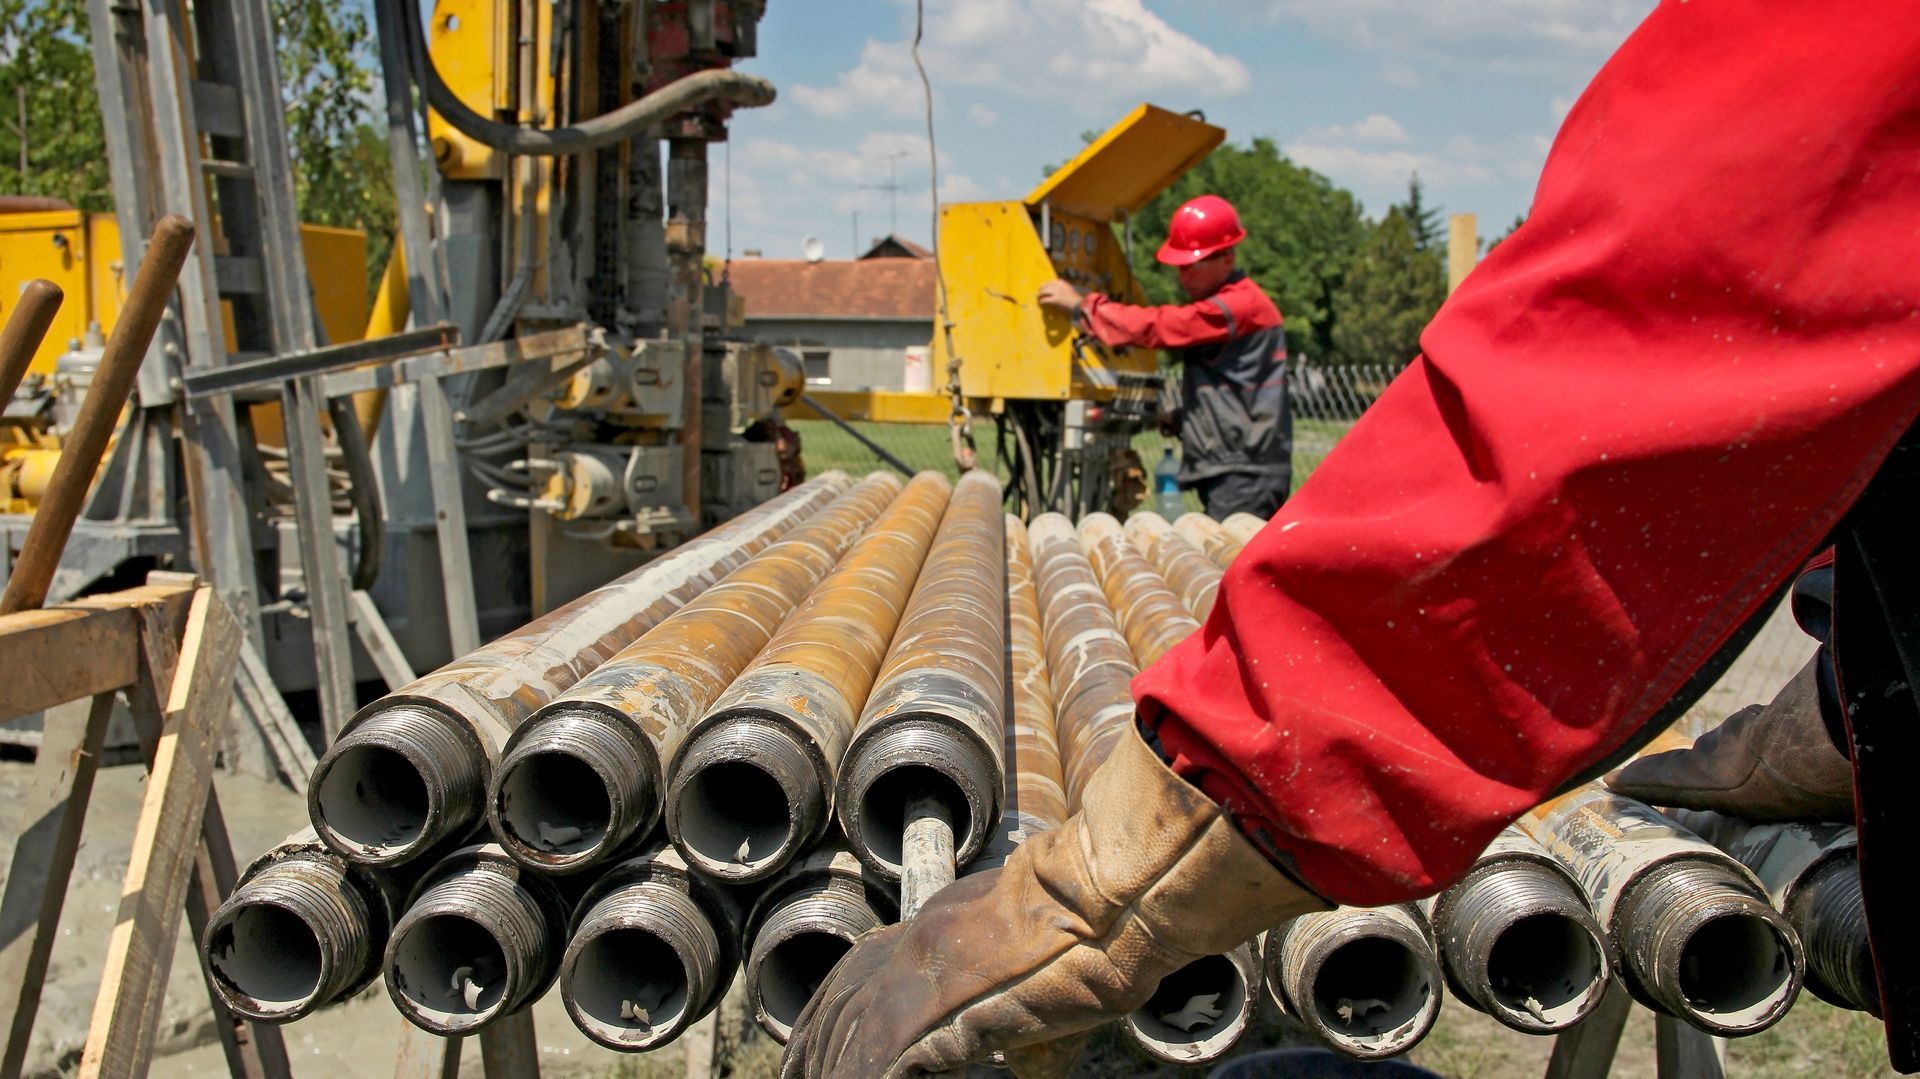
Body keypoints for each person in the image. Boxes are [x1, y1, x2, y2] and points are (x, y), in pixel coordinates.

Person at [781, 0, 1920, 1074]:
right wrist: (1852, 688)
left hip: (1249, 476)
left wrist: (1095, 888)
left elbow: (1596, 411)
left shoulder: (1246, 301)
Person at [1036, 196, 1292, 519]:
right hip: (1242, 468)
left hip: (1244, 474)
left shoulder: (1234, 307)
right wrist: (1178, 417)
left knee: (1231, 563)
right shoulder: (1240, 306)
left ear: (1226, 257)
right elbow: (1237, 391)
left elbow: (1161, 327)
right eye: (1180, 267)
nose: (1184, 276)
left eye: (1192, 265)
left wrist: (1082, 306)